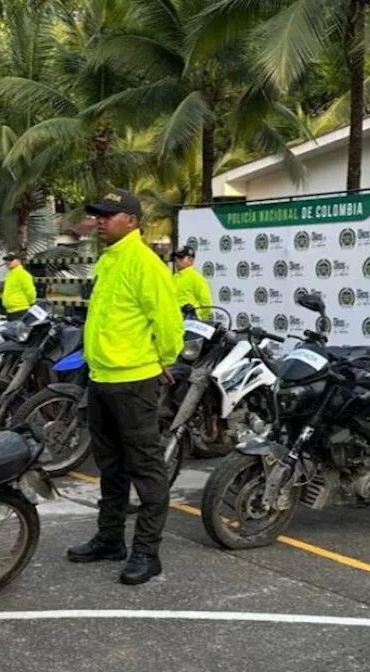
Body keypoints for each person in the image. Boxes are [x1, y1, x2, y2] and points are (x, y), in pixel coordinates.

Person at [67, 188, 183, 585]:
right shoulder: (109, 260)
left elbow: (168, 321)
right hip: (102, 379)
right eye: (98, 214)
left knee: (146, 469)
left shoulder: (144, 264)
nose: (100, 220)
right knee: (110, 467)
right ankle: (110, 538)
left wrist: (164, 359)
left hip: (134, 381)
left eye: (109, 215)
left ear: (131, 221)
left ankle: (147, 553)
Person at [171, 246, 212, 320]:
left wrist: (197, 317)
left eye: (181, 258)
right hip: (175, 321)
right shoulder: (173, 277)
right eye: (176, 257)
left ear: (191, 260)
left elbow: (206, 304)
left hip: (190, 322)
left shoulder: (196, 278)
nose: (177, 260)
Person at [1, 253, 37, 321]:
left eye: (11, 260)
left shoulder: (23, 274)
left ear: (18, 261)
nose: (8, 262)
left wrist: (26, 303)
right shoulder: (10, 274)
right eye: (6, 260)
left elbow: (30, 292)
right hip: (10, 310)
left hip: (20, 310)